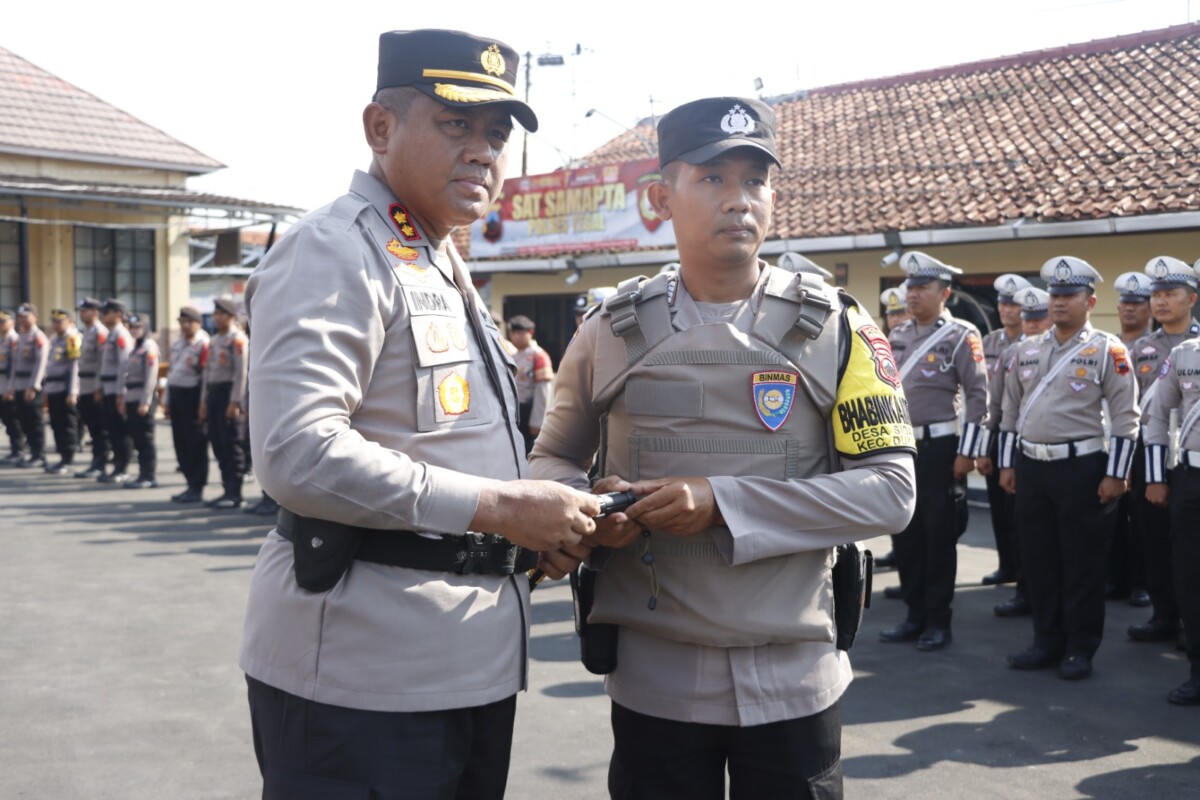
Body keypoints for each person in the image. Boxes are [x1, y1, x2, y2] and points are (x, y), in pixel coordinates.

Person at [237, 30, 600, 798]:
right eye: (456, 124)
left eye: (497, 134)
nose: (483, 152)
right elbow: (296, 452)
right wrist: (503, 506)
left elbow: (447, 447)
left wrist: (537, 531)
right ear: (380, 128)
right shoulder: (336, 248)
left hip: (463, 665)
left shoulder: (435, 256)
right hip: (361, 681)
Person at [531, 96, 916, 798]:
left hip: (794, 676)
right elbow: (553, 458)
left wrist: (721, 502)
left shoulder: (839, 327)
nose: (739, 200)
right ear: (659, 196)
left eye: (755, 180)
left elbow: (893, 491)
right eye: (712, 178)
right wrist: (586, 509)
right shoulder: (607, 329)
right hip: (656, 677)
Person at [999, 256, 1139, 680]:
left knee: (1081, 564)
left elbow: (1126, 418)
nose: (1059, 303)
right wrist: (1008, 464)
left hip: (1081, 469)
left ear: (1090, 300)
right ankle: (1046, 641)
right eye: (1055, 295)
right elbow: (1009, 412)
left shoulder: (1107, 350)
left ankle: (1080, 648)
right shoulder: (1027, 348)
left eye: (1068, 295)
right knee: (1039, 561)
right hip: (1032, 467)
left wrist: (1117, 474)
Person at [880, 252, 987, 651]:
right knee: (906, 533)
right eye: (910, 287)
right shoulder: (897, 336)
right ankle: (914, 614)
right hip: (902, 446)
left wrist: (968, 453)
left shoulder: (961, 335)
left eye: (922, 287)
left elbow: (979, 397)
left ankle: (938, 621)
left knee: (938, 536)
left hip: (941, 447)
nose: (913, 294)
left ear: (944, 293)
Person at [1129, 258, 1199, 645]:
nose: (1161, 302)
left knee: (1190, 548)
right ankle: (1164, 615)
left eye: (1170, 294)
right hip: (1152, 455)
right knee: (1153, 538)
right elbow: (1140, 410)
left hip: (1190, 455)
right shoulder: (1141, 347)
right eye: (1156, 295)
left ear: (1191, 298)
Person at [1143, 260, 1200, 704]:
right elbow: (1156, 417)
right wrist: (1158, 475)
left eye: (1171, 293)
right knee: (1190, 572)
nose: (1161, 300)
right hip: (1191, 476)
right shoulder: (1184, 355)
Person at [982, 285, 1051, 618]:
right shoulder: (1009, 352)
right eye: (1028, 318)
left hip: (1056, 448)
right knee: (1014, 518)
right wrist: (988, 451)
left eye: (1039, 319)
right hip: (1015, 443)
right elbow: (997, 406)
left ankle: (1039, 591)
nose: (1032, 324)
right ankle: (1022, 584)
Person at [977, 273, 1031, 587]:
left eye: (1013, 304)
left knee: (1020, 510)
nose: (1007, 310)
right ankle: (1005, 565)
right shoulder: (990, 341)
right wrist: (983, 448)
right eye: (1002, 303)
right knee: (998, 506)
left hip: (1024, 434)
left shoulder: (1036, 340)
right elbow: (986, 397)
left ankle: (1025, 573)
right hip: (996, 431)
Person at [1107, 271, 1155, 609]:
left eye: (1137, 303)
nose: (1129, 309)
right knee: (1111, 513)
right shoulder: (1108, 344)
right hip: (1110, 438)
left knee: (1142, 515)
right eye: (1125, 302)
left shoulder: (1163, 346)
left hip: (1148, 441)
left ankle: (1142, 581)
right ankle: (1116, 577)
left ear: (1150, 307)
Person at [200, 298, 248, 509]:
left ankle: (235, 493)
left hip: (229, 394)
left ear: (230, 316)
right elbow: (207, 372)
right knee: (218, 444)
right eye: (215, 314)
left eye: (220, 314)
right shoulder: (214, 340)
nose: (216, 317)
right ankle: (226, 489)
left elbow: (241, 373)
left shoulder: (237, 340)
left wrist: (235, 401)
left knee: (231, 445)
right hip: (214, 394)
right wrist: (203, 401)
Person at [163, 306, 210, 503]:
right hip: (176, 394)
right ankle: (189, 483)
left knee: (195, 443)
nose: (184, 325)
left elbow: (206, 377)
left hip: (193, 395)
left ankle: (197, 486)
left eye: (189, 322)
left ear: (198, 323)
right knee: (180, 441)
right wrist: (166, 401)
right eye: (182, 321)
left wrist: (203, 404)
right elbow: (171, 372)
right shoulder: (178, 343)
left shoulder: (203, 343)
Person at [119, 313, 160, 489]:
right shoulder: (136, 347)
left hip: (142, 399)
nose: (134, 331)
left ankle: (149, 475)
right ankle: (142, 473)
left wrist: (145, 402)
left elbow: (151, 378)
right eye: (132, 327)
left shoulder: (149, 347)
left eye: (138, 327)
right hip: (132, 397)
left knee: (145, 438)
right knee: (137, 437)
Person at [97, 299, 134, 483]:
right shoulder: (111, 335)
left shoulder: (121, 335)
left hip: (116, 390)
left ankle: (123, 467)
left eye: (107, 312)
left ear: (118, 314)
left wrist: (121, 393)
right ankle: (117, 465)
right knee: (112, 429)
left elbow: (124, 367)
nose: (103, 315)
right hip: (108, 388)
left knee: (120, 430)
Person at [8, 303, 49, 469]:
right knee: (23, 420)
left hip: (31, 385)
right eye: (20, 317)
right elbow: (15, 366)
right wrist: (11, 385)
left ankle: (39, 454)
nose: (22, 320)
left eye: (25, 316)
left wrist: (34, 386)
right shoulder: (20, 338)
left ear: (35, 317)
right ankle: (32, 452)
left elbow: (41, 364)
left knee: (34, 421)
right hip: (19, 384)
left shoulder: (38, 337)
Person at [42, 309, 83, 474]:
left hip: (65, 389)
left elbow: (75, 367)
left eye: (59, 321)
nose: (56, 324)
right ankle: (62, 457)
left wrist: (73, 391)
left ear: (70, 322)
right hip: (53, 388)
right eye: (54, 321)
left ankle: (69, 459)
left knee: (67, 425)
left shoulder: (72, 339)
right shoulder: (55, 340)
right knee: (56, 424)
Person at [73, 297, 110, 478]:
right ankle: (96, 461)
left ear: (94, 312)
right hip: (84, 385)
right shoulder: (87, 331)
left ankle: (100, 463)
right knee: (92, 426)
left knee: (98, 427)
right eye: (80, 311)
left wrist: (98, 387)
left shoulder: (100, 332)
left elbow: (103, 362)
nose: (81, 314)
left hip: (94, 385)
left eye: (85, 311)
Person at [507, 314, 554, 454]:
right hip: (516, 412)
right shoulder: (514, 354)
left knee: (528, 452)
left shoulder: (538, 355)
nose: (516, 337)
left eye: (521, 333)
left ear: (531, 333)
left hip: (530, 412)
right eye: (514, 333)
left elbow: (543, 391)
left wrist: (537, 422)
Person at [0, 308, 26, 465]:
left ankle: (19, 449)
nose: (0, 324)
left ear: (12, 323)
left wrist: (11, 388)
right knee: (6, 419)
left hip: (10, 385)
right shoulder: (2, 340)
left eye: (3, 321)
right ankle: (14, 449)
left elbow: (14, 367)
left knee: (13, 420)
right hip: (1, 383)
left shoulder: (14, 340)